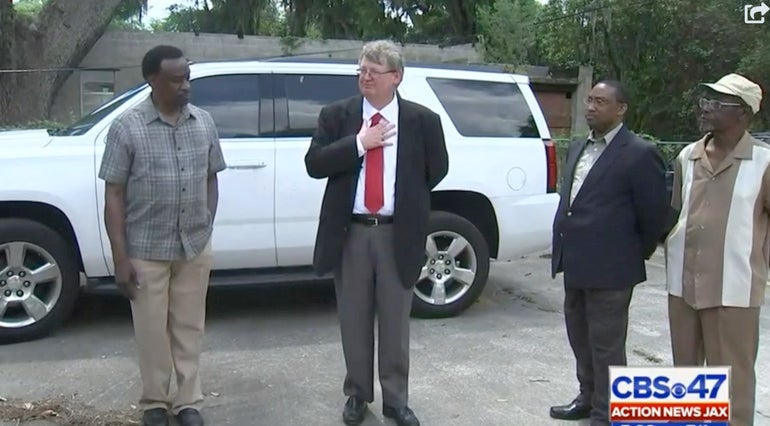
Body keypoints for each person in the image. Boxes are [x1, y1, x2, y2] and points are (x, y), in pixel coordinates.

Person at [305, 40, 448, 426]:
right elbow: (314, 164)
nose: (365, 77)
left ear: (396, 77)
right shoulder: (337, 115)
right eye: (361, 70)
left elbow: (437, 171)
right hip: (351, 233)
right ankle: (357, 394)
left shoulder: (422, 120)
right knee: (353, 318)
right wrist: (358, 144)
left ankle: (396, 400)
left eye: (374, 71)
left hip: (395, 233)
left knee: (396, 322)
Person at [99, 45, 226, 426]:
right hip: (146, 249)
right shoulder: (127, 127)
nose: (185, 85)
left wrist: (206, 227)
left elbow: (211, 178)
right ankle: (155, 403)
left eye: (187, 77)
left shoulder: (203, 122)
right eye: (176, 79)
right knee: (152, 332)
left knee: (190, 327)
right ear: (153, 80)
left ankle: (189, 403)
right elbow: (114, 194)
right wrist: (121, 258)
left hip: (193, 247)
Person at [549, 80, 669, 425]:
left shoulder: (639, 152)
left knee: (606, 345)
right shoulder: (577, 147)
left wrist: (633, 253)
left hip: (613, 267)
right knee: (580, 337)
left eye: (601, 101)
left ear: (621, 109)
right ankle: (588, 397)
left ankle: (608, 412)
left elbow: (653, 215)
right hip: (575, 262)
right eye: (589, 100)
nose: (591, 107)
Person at [665, 73, 765, 426]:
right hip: (682, 285)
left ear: (743, 114)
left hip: (734, 291)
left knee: (733, 381)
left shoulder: (764, 163)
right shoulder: (686, 156)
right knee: (686, 378)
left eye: (717, 102)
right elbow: (676, 213)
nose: (706, 108)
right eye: (706, 100)